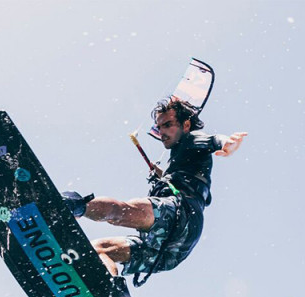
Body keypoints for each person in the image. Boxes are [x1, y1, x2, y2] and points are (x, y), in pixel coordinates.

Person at [62, 97, 247, 286]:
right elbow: (192, 184)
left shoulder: (192, 138)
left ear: (186, 125)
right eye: (159, 127)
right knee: (98, 250)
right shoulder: (183, 160)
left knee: (120, 211)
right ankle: (110, 292)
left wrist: (228, 143)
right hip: (174, 250)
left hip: (181, 215)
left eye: (167, 125)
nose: (162, 132)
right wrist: (163, 176)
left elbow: (213, 140)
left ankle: (71, 205)